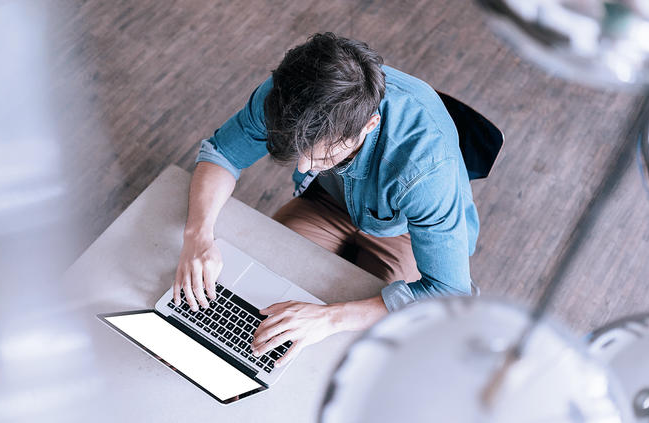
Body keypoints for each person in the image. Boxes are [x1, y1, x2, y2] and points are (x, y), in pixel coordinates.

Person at [173, 32, 479, 367]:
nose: (303, 167)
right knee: (255, 294)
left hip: (405, 230)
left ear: (368, 125)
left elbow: (448, 294)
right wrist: (197, 235)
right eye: (299, 152)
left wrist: (329, 319)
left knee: (354, 352)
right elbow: (222, 153)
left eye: (320, 158)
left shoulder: (426, 170)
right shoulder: (288, 93)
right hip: (327, 202)